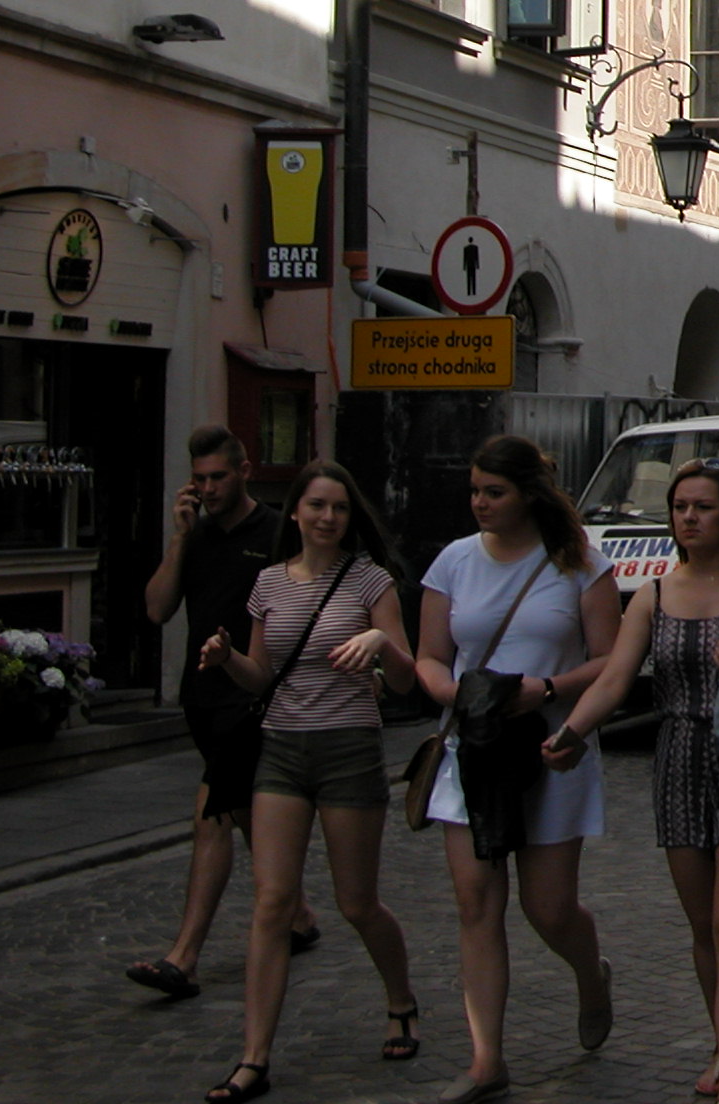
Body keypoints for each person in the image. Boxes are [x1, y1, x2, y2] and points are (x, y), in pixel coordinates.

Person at [545, 460, 719, 1104]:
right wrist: (571, 733)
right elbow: (615, 678)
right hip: (680, 763)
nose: (688, 518)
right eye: (679, 507)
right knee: (704, 931)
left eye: (702, 507)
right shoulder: (655, 594)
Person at [196, 463, 420, 1104]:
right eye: (317, 506)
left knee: (356, 903)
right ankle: (253, 1058)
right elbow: (263, 677)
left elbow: (405, 682)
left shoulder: (369, 580)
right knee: (272, 902)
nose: (328, 518)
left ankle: (400, 998)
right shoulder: (267, 583)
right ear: (294, 512)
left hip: (349, 747)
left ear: (351, 518)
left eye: (340, 509)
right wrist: (227, 659)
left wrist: (380, 640)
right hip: (283, 753)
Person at [415, 437, 622, 1104]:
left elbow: (611, 659)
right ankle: (486, 1059)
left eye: (493, 492)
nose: (479, 503)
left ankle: (592, 974)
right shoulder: (452, 562)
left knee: (548, 907)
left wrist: (548, 688)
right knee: (477, 902)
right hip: (471, 749)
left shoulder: (580, 562)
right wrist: (455, 695)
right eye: (474, 491)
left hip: (549, 745)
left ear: (529, 493)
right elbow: (428, 656)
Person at [128, 426, 316, 1002]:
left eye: (218, 477)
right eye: (200, 479)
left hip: (257, 700)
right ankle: (299, 916)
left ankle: (183, 957)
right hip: (204, 701)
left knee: (210, 812)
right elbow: (157, 609)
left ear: (244, 470)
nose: (208, 489)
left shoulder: (278, 531)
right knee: (242, 812)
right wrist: (180, 539)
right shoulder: (197, 536)